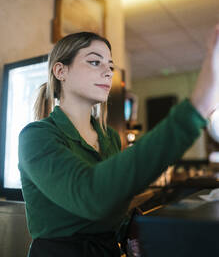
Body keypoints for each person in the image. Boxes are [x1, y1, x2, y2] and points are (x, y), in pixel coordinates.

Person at [18, 25, 219, 257]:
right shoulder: (36, 136)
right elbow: (92, 196)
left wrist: (130, 231)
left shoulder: (110, 137)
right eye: (95, 62)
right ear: (61, 71)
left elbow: (115, 201)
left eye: (110, 66)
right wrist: (196, 107)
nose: (108, 72)